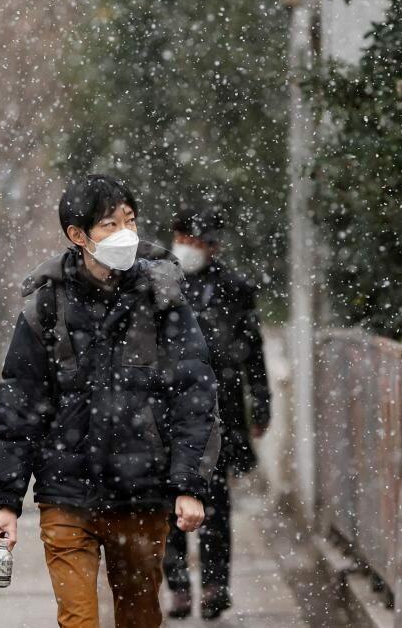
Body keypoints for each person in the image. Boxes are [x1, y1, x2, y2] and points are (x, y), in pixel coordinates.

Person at [0, 174, 221, 628]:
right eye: (110, 225)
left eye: (129, 221)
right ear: (78, 236)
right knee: (78, 620)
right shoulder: (47, 306)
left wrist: (189, 484)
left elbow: (194, 393)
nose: (125, 234)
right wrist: (7, 501)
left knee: (139, 617)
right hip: (66, 497)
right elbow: (19, 406)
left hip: (141, 496)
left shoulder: (162, 298)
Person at [163, 207, 271, 620]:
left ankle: (214, 586)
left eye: (196, 242)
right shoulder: (157, 284)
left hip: (218, 411)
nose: (188, 249)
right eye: (182, 240)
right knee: (169, 502)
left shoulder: (233, 289)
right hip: (167, 410)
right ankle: (177, 585)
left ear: (212, 246)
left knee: (216, 504)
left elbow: (253, 353)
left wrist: (260, 402)